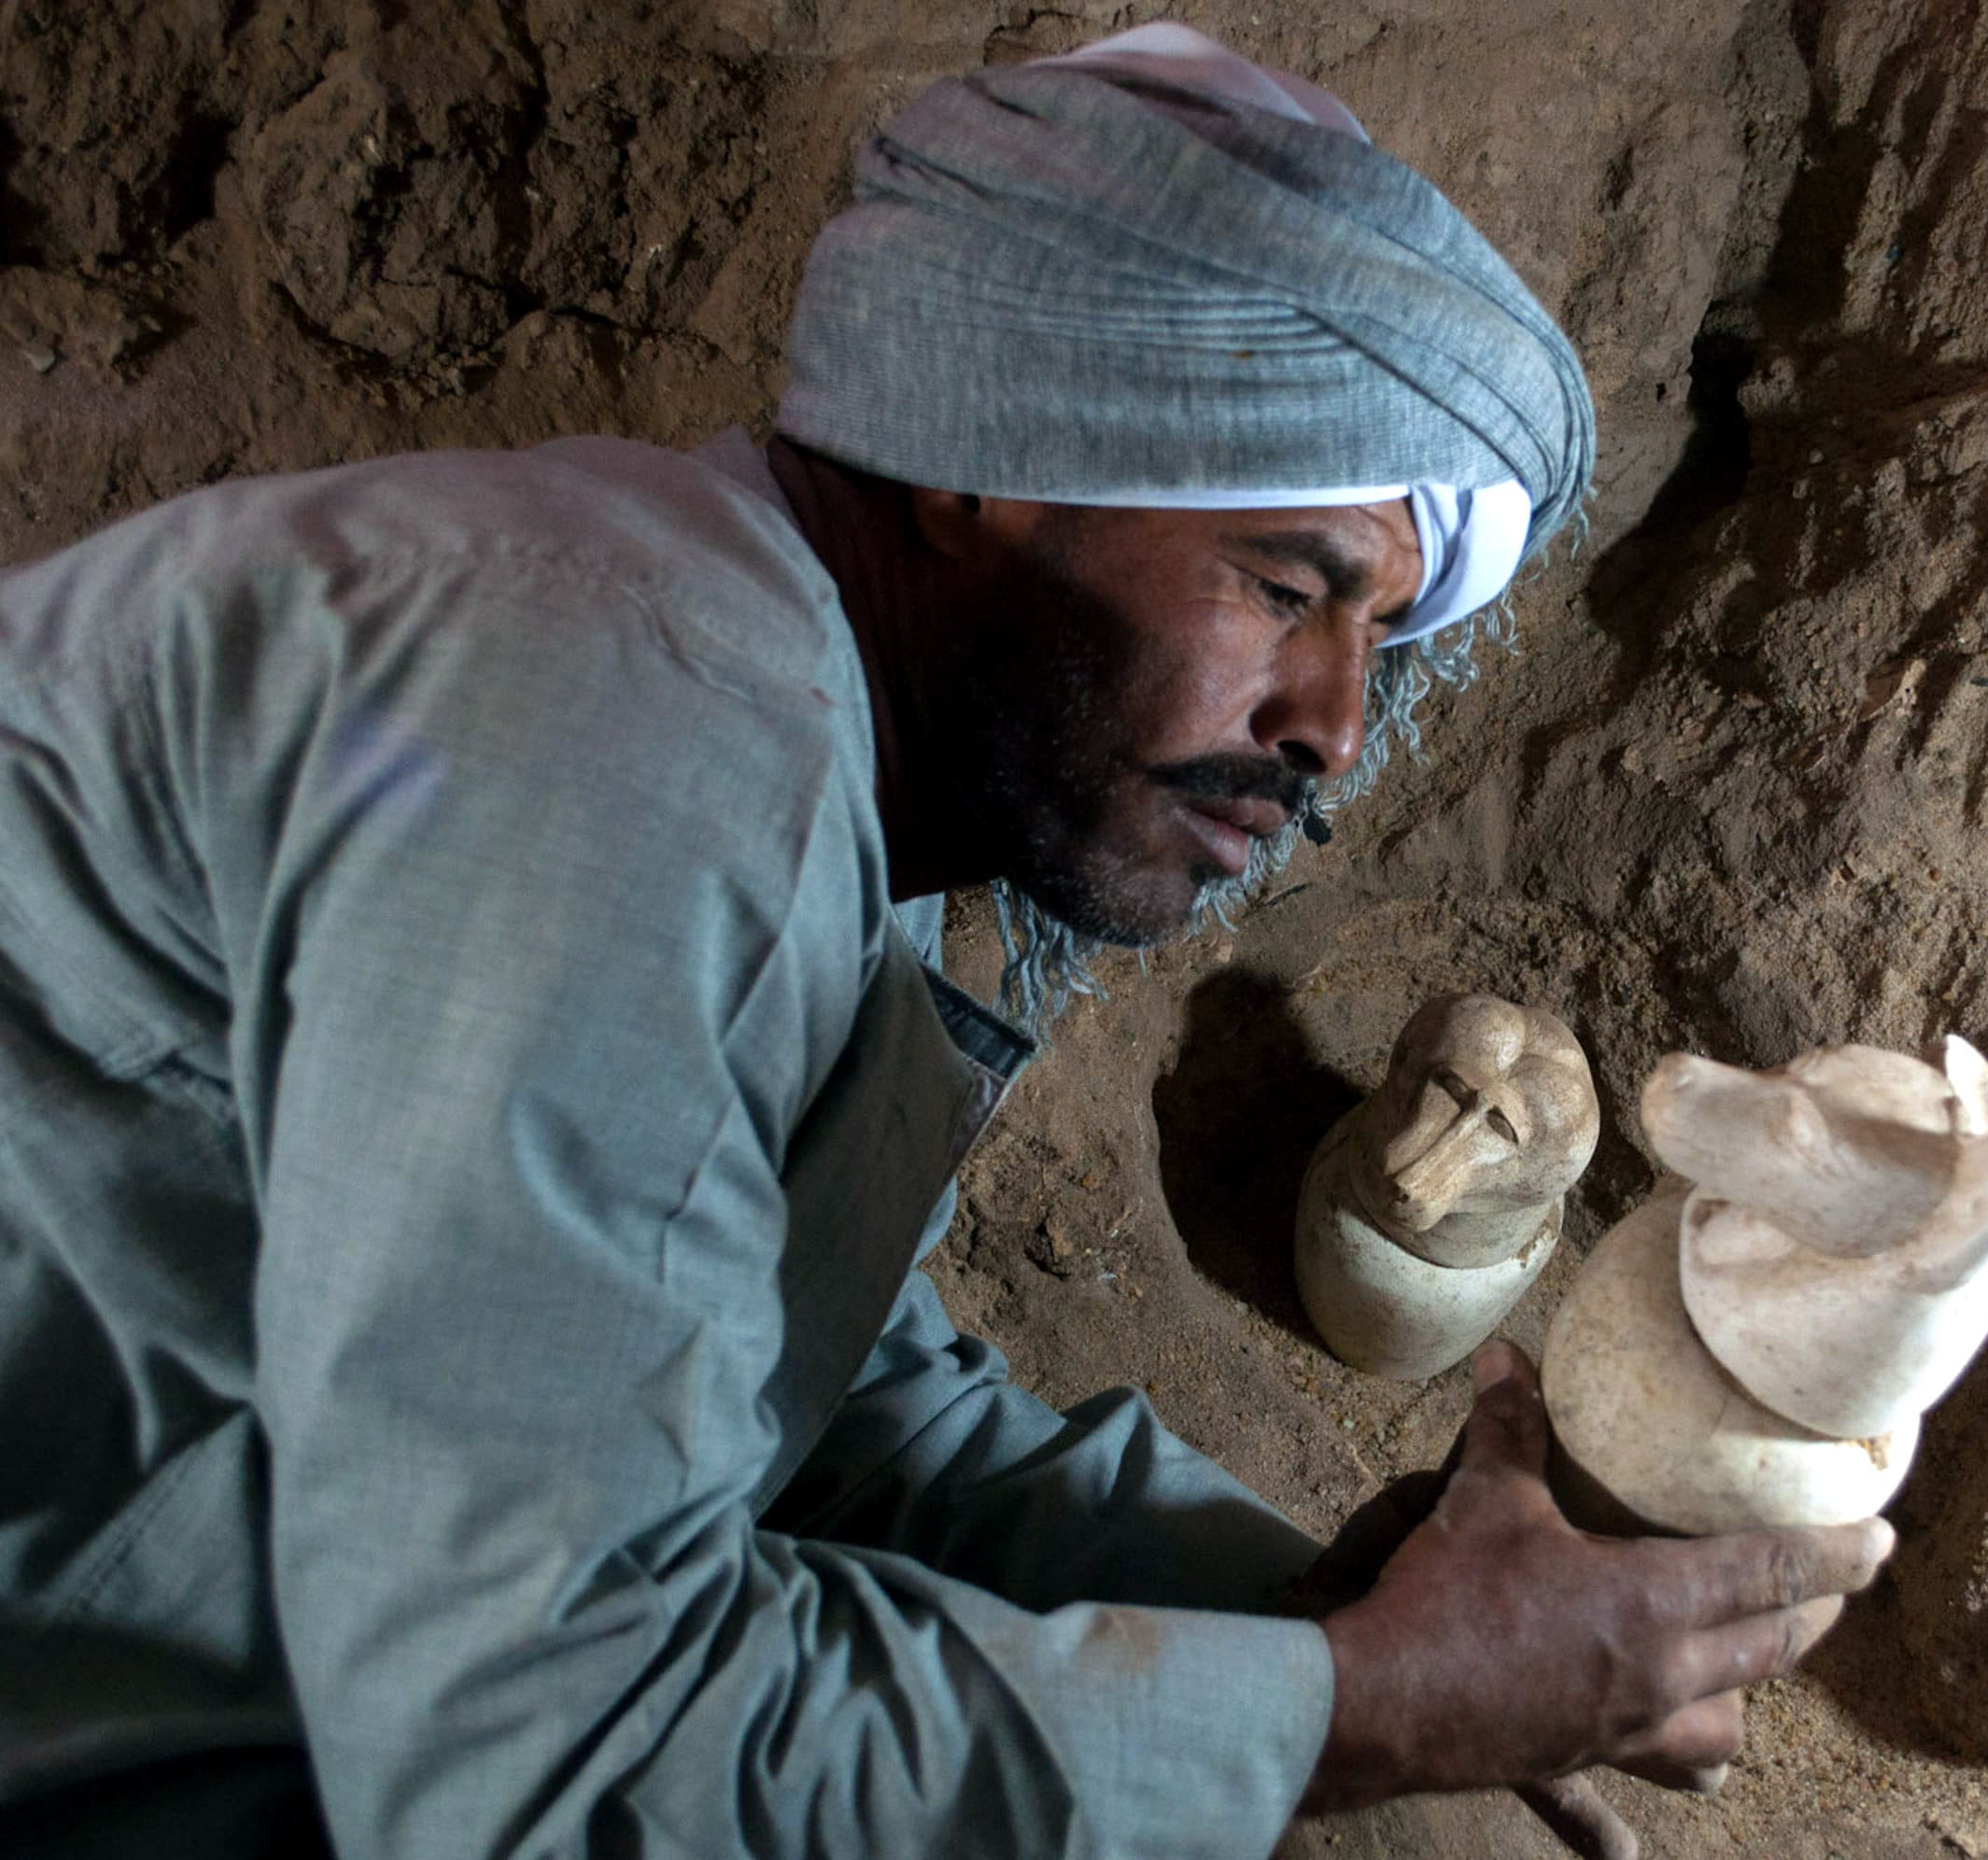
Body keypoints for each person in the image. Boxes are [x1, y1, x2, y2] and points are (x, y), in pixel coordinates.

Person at [0, 26, 1891, 1857]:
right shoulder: (632, 713)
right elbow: (553, 1761)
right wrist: (1365, 1711)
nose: (1333, 723)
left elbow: (811, 1398)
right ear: (993, 456)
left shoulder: (763, 739)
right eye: (1285, 584)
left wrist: (1338, 1613)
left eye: (1375, 638)